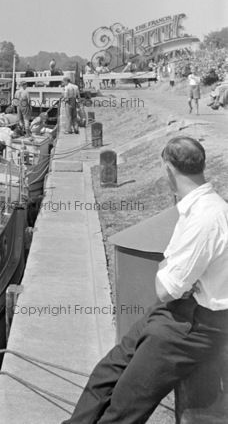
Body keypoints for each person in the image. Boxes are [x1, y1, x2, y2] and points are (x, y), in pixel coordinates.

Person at [65, 136, 228, 424]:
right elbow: (173, 277)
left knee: (125, 406)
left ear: (168, 170)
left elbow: (165, 289)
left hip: (193, 327)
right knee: (105, 375)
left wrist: (169, 268)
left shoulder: (206, 218)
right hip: (175, 314)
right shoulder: (197, 207)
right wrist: (171, 267)